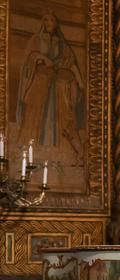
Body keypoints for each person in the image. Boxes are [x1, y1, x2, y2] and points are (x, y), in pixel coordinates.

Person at [16, 12, 85, 166]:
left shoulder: (62, 44)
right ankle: (31, 151)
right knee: (35, 113)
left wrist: (80, 82)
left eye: (51, 19)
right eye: (45, 20)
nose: (47, 22)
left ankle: (62, 152)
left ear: (56, 24)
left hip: (58, 88)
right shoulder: (36, 40)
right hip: (39, 84)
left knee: (62, 115)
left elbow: (71, 63)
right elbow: (30, 58)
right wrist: (42, 58)